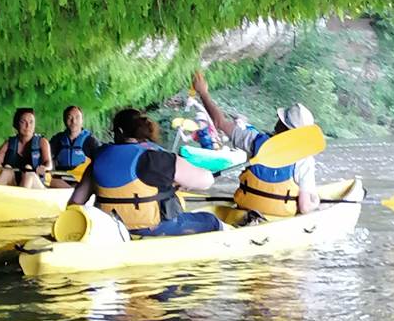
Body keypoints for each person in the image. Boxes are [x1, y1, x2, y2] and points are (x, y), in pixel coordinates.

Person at [69, 107, 223, 236]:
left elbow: (75, 203)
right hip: (155, 230)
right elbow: (207, 181)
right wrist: (181, 183)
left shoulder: (98, 159)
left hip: (110, 232)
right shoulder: (156, 157)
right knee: (212, 221)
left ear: (119, 131)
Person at [191, 71, 321, 216]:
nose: (277, 120)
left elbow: (219, 122)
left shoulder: (253, 140)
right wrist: (315, 202)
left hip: (245, 208)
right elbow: (304, 207)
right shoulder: (304, 160)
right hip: (280, 216)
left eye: (280, 119)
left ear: (282, 125)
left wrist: (203, 93)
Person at [0, 107, 53, 189]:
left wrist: (45, 168)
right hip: (15, 184)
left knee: (28, 169)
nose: (28, 126)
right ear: (16, 124)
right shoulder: (9, 143)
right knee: (7, 169)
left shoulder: (42, 142)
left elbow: (49, 163)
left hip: (36, 185)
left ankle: (21, 197)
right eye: (23, 122)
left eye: (31, 122)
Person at [48, 105, 102, 188]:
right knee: (48, 180)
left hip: (82, 181)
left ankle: (75, 192)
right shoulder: (57, 139)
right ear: (64, 120)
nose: (74, 121)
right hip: (60, 180)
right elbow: (47, 158)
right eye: (70, 118)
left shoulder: (91, 141)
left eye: (77, 117)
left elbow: (100, 163)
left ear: (82, 120)